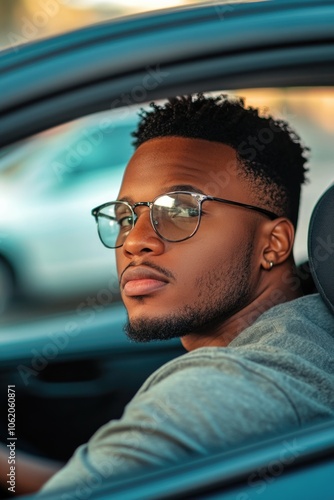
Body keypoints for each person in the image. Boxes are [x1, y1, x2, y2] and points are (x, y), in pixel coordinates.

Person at [13, 94, 334, 494]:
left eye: (181, 210)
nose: (135, 241)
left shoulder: (226, 385)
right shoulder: (309, 326)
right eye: (124, 216)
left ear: (273, 244)